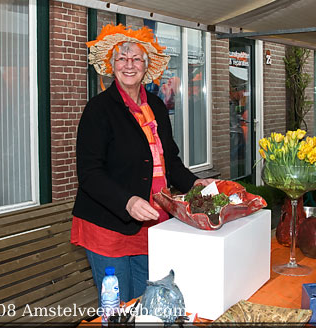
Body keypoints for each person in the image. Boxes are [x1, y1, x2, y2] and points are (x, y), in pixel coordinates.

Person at [71, 24, 215, 304]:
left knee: (147, 302)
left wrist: (194, 183)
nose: (129, 65)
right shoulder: (98, 109)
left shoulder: (157, 107)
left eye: (136, 58)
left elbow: (169, 160)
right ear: (111, 65)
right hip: (109, 226)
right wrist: (127, 201)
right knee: (120, 306)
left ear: (146, 67)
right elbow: (89, 174)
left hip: (154, 222)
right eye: (122, 58)